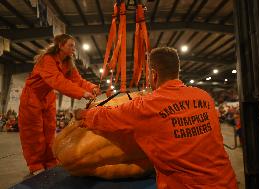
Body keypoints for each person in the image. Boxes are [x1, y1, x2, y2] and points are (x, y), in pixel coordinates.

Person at [75, 47, 237, 189]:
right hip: (227, 181)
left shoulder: (147, 105)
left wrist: (84, 115)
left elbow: (108, 117)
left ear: (153, 74)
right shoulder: (204, 97)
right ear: (176, 71)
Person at [18, 34, 100, 176]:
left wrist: (91, 87)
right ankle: (35, 164)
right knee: (33, 132)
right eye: (71, 45)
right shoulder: (47, 60)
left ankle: (50, 161)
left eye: (74, 46)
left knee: (50, 131)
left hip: (48, 97)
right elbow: (57, 81)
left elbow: (78, 81)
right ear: (60, 45)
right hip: (32, 96)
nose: (74, 49)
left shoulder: (68, 63)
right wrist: (82, 93)